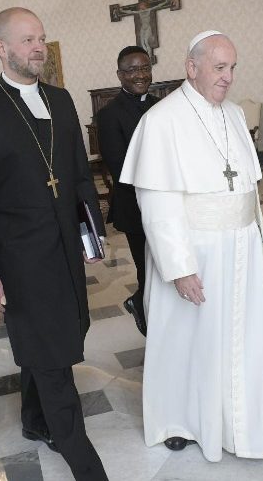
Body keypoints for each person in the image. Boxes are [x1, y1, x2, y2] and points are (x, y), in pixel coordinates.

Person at [120, 31, 263, 463]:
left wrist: (257, 240)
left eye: (232, 68)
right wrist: (179, 267)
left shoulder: (233, 113)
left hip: (241, 248)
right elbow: (156, 203)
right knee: (190, 341)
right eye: (219, 67)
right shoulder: (162, 120)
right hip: (196, 253)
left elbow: (246, 186)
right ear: (192, 68)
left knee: (250, 339)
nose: (228, 77)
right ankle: (180, 420)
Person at [0, 8, 108, 480]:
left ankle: (34, 419)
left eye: (40, 38)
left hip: (65, 252)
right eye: (27, 40)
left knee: (65, 332)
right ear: (1, 49)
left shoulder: (60, 100)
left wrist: (91, 235)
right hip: (18, 261)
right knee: (52, 356)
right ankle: (84, 461)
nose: (38, 47)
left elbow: (79, 176)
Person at [95, 45, 158, 336]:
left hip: (168, 204)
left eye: (145, 68)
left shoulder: (162, 106)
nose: (140, 75)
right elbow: (120, 168)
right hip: (135, 206)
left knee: (169, 267)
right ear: (120, 74)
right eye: (132, 70)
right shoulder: (109, 115)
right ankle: (146, 317)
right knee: (148, 269)